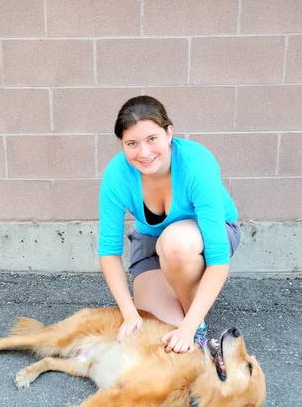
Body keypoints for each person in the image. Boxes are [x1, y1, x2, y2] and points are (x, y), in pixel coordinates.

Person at [98, 95, 240, 354]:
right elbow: (109, 250)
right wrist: (129, 313)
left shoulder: (197, 163)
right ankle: (186, 312)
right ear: (122, 143)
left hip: (203, 238)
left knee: (175, 244)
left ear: (169, 132)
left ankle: (196, 323)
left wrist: (188, 327)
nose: (144, 152)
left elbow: (218, 259)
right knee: (160, 335)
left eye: (152, 139)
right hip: (151, 243)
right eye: (132, 143)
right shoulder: (116, 174)